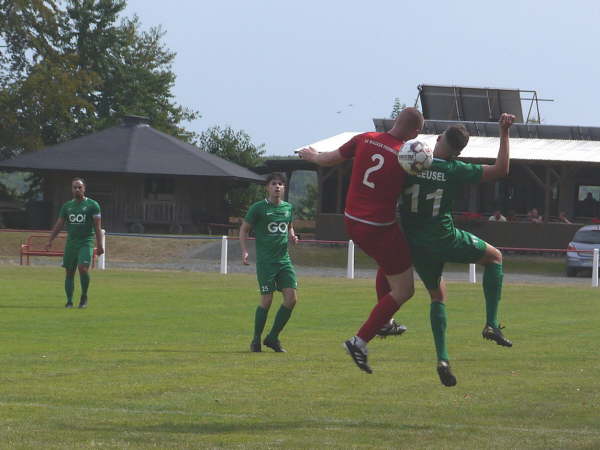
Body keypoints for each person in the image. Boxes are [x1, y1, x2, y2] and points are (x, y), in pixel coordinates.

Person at [298, 107, 424, 374]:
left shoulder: (364, 138)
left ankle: (385, 322)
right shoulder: (405, 155)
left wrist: (312, 155)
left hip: (352, 220)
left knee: (392, 264)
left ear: (395, 121)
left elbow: (330, 158)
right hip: (378, 226)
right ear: (416, 133)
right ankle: (360, 340)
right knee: (404, 290)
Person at [396, 113, 515, 387]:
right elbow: (501, 170)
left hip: (416, 244)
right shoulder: (454, 169)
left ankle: (443, 357)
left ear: (437, 140)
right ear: (459, 151)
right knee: (495, 257)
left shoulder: (409, 165)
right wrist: (504, 132)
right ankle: (491, 324)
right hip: (445, 237)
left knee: (437, 295)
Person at [240, 172, 299, 353]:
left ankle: (272, 337)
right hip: (266, 263)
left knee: (292, 299)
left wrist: (292, 236)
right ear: (267, 187)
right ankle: (256, 340)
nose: (277, 187)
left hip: (284, 261)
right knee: (267, 300)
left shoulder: (288, 208)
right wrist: (245, 251)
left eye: (280, 184)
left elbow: (288, 226)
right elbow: (244, 230)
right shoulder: (258, 208)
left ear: (284, 188)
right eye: (273, 183)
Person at [46, 177, 104, 308]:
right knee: (69, 272)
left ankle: (84, 296)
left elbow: (97, 227)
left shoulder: (93, 205)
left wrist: (99, 245)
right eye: (74, 187)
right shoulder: (67, 206)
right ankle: (69, 301)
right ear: (71, 189)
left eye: (80, 187)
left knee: (83, 268)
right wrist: (50, 240)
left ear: (84, 189)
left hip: (86, 242)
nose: (77, 189)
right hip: (71, 243)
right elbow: (59, 224)